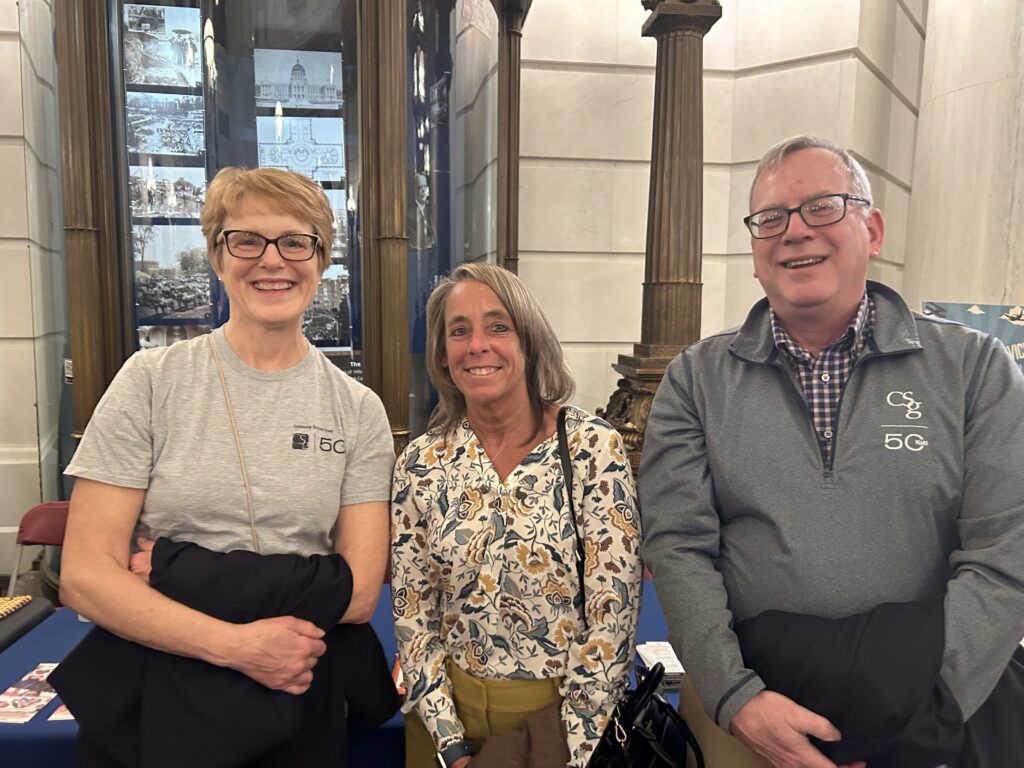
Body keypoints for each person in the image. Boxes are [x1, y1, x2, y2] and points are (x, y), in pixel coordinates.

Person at [640, 135, 1024, 768]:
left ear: (872, 231)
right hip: (751, 717)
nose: (794, 231)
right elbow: (678, 548)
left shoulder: (973, 368)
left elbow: (1004, 553)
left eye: (823, 206)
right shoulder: (696, 380)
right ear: (755, 253)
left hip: (928, 720)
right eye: (770, 218)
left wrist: (927, 713)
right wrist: (736, 699)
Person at [56, 166, 397, 765]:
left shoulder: (357, 408)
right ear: (217, 255)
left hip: (299, 685)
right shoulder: (150, 381)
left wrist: (173, 568)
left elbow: (359, 593)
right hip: (159, 693)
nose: (273, 260)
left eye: (296, 242)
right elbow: (85, 576)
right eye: (246, 240)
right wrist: (235, 645)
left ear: (322, 260)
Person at [391, 263, 643, 768]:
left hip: (559, 724)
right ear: (441, 354)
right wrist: (450, 745)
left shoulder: (592, 448)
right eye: (458, 331)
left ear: (529, 340)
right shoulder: (420, 462)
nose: (477, 345)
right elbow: (413, 612)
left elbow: (613, 616)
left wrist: (567, 746)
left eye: (498, 326)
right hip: (444, 719)